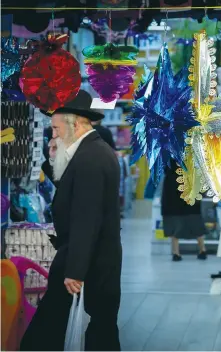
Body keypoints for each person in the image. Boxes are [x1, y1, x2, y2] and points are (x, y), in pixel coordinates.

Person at [20, 90, 122, 351]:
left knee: (55, 331)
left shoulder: (91, 158)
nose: (52, 135)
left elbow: (85, 218)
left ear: (75, 124)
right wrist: (49, 161)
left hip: (87, 260)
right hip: (91, 257)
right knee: (99, 329)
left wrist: (75, 271)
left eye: (55, 128)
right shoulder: (91, 152)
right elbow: (72, 190)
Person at [161, 166, 207, 261]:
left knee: (175, 220)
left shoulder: (169, 153)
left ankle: (176, 252)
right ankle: (202, 250)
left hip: (173, 187)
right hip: (189, 185)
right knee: (195, 219)